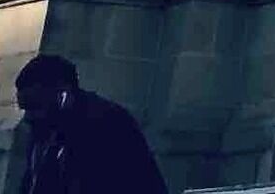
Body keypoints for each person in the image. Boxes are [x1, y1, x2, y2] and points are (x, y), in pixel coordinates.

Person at [16, 56, 168, 194]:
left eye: (35, 106)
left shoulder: (106, 124)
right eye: (24, 109)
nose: (28, 117)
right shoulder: (46, 131)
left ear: (63, 96)